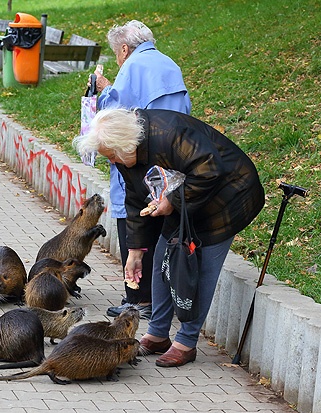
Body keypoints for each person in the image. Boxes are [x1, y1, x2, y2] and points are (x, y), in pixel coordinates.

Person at [73, 108, 265, 367]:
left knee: (196, 266)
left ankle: (186, 342)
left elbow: (209, 170)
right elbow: (134, 198)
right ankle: (158, 333)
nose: (113, 162)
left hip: (227, 198)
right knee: (164, 257)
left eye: (112, 156)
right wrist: (135, 251)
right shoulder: (127, 154)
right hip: (184, 201)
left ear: (125, 145)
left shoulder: (171, 135)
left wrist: (171, 201)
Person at [91, 20, 191, 320]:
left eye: (117, 53)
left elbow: (115, 115)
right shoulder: (169, 64)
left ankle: (137, 299)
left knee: (133, 218)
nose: (119, 59)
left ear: (124, 48)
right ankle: (161, 299)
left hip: (139, 156)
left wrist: (104, 88)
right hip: (173, 155)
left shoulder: (132, 68)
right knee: (161, 221)